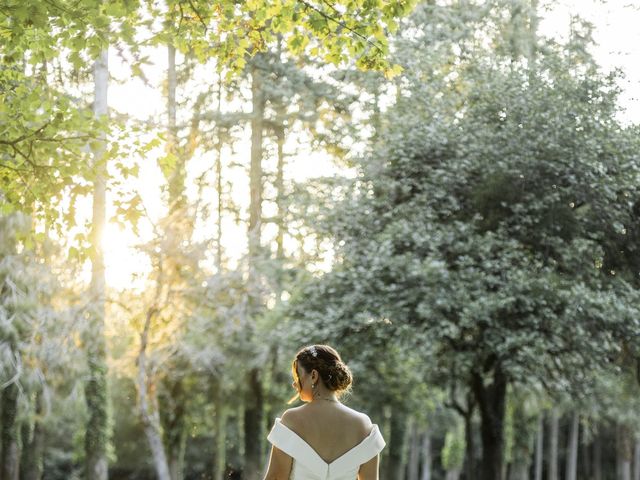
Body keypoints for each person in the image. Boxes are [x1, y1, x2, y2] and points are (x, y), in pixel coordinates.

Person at [263, 345, 385, 480]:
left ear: (314, 376)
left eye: (297, 375)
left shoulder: (292, 420)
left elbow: (275, 477)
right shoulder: (363, 425)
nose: (294, 383)